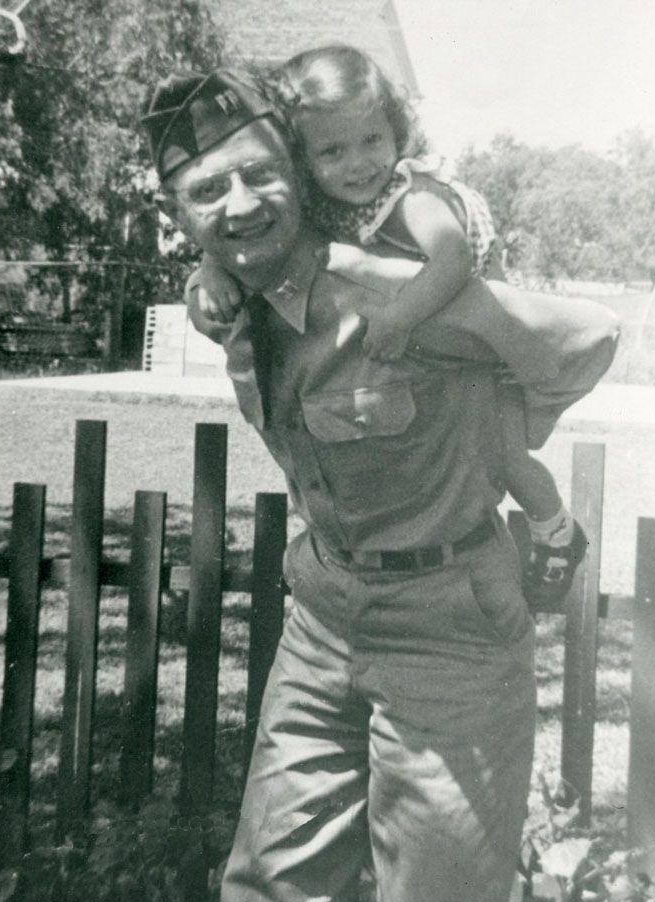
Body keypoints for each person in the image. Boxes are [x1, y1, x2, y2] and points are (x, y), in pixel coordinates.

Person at [141, 68, 618, 902]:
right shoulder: (239, 300)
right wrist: (206, 284)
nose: (239, 204)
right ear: (179, 214)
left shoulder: (384, 285)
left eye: (259, 175)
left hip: (449, 627)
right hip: (322, 617)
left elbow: (588, 337)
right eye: (207, 190)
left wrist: (493, 413)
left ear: (298, 172)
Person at [195, 45, 587, 611]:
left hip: (482, 348)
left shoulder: (411, 192)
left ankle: (556, 532)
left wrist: (401, 317)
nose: (359, 163)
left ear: (396, 132)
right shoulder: (316, 203)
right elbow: (246, 237)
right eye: (333, 151)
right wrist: (212, 267)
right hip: (418, 371)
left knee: (507, 458)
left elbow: (451, 260)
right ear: (300, 160)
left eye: (371, 140)